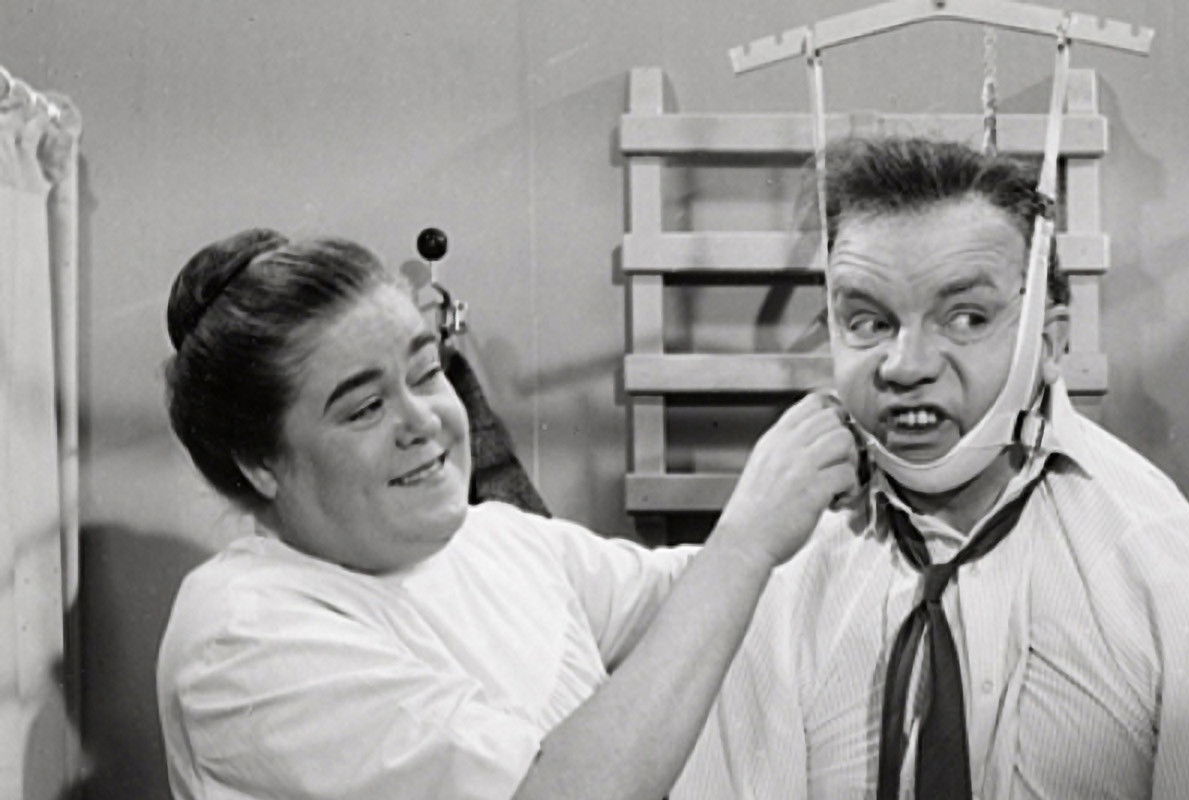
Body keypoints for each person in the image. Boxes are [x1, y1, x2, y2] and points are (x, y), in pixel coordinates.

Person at [674, 136, 1189, 799]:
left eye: (966, 318)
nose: (905, 366)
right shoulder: (774, 582)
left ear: (1049, 342)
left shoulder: (1179, 579)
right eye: (868, 322)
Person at [154, 229, 858, 799]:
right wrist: (745, 540)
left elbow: (686, 598)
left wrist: (855, 511)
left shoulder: (490, 537)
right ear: (260, 461)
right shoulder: (240, 639)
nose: (423, 420)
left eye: (427, 373)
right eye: (365, 408)